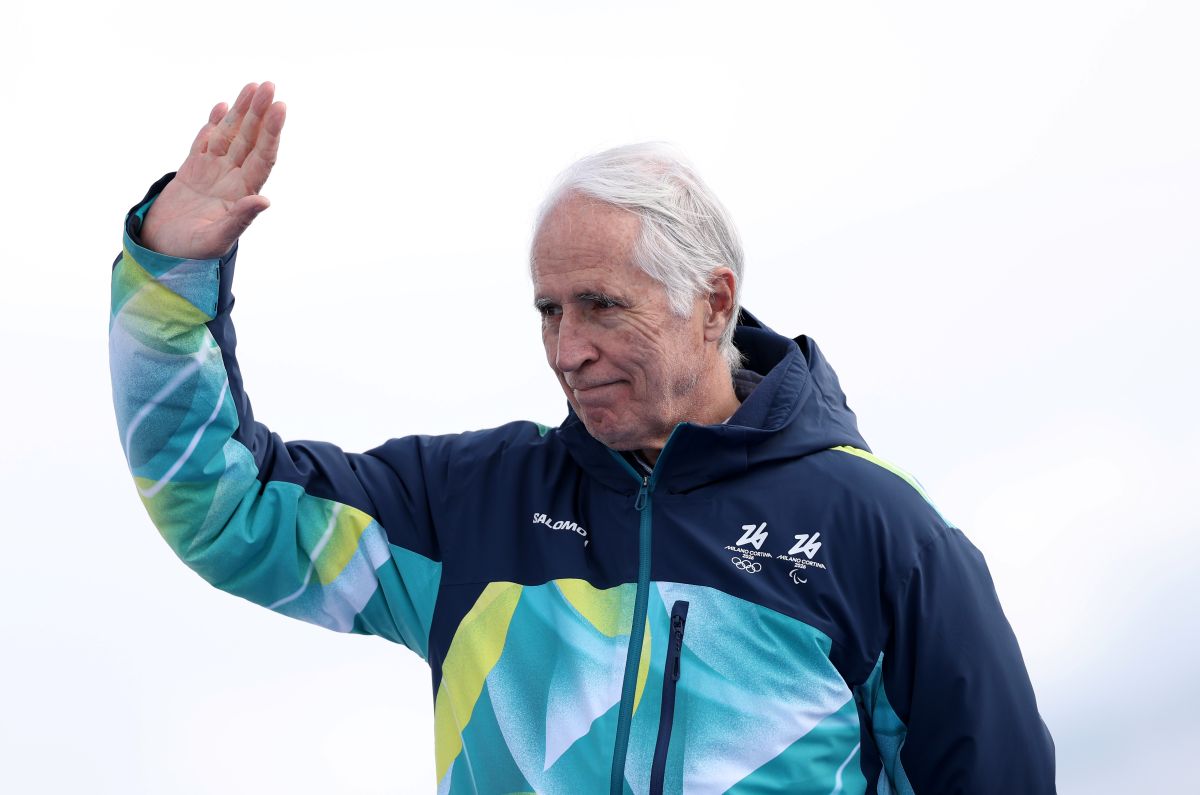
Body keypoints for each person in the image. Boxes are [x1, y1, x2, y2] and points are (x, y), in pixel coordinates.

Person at [110, 81, 1056, 794]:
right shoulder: (466, 504)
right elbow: (223, 504)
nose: (569, 349)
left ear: (713, 302)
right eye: (549, 310)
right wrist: (170, 275)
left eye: (603, 306)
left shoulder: (881, 530)